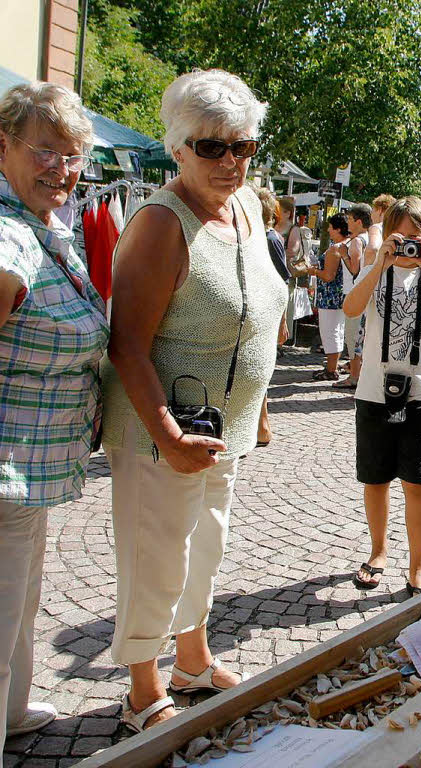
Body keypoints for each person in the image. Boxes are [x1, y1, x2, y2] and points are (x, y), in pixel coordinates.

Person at [102, 69, 287, 733]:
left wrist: (257, 408)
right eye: (211, 147)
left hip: (221, 426)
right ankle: (142, 690)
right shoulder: (159, 221)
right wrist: (169, 437)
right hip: (162, 432)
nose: (230, 161)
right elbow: (126, 346)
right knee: (157, 555)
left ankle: (194, 661)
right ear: (177, 146)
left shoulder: (245, 206)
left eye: (242, 146)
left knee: (205, 546)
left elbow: (257, 313)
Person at [0, 81, 108, 748]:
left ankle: (12, 712)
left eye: (72, 159)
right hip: (5, 468)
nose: (61, 171)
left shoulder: (41, 226)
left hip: (29, 469)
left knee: (19, 603)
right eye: (46, 152)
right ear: (3, 147)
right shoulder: (9, 233)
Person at [342, 196, 421, 595]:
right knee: (375, 480)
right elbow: (351, 308)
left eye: (417, 237)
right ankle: (378, 552)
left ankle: (418, 565)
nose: (409, 245)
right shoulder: (377, 273)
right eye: (401, 237)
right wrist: (380, 263)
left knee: (417, 483)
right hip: (374, 390)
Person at [254, 185, 290, 446]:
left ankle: (262, 426)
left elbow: (281, 282)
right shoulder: (257, 237)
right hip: (256, 311)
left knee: (259, 369)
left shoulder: (270, 239)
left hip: (265, 312)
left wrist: (281, 321)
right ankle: (259, 426)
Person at [334, 202, 372, 390]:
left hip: (353, 292)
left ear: (358, 221)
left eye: (349, 219)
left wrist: (343, 255)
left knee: (353, 337)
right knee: (359, 336)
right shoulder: (370, 238)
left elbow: (355, 270)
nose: (347, 223)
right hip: (363, 294)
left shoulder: (357, 241)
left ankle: (354, 377)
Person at [308, 213, 349, 380]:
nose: (328, 230)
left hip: (330, 296)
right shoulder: (348, 244)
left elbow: (328, 276)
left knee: (330, 332)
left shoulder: (335, 249)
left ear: (338, 229)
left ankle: (331, 370)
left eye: (331, 227)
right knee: (337, 331)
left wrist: (313, 271)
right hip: (340, 294)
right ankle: (332, 367)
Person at [277, 196, 313, 343]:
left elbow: (292, 251)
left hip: (286, 272)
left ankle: (283, 339)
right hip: (274, 270)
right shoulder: (273, 226)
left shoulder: (293, 229)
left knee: (285, 305)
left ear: (287, 213)